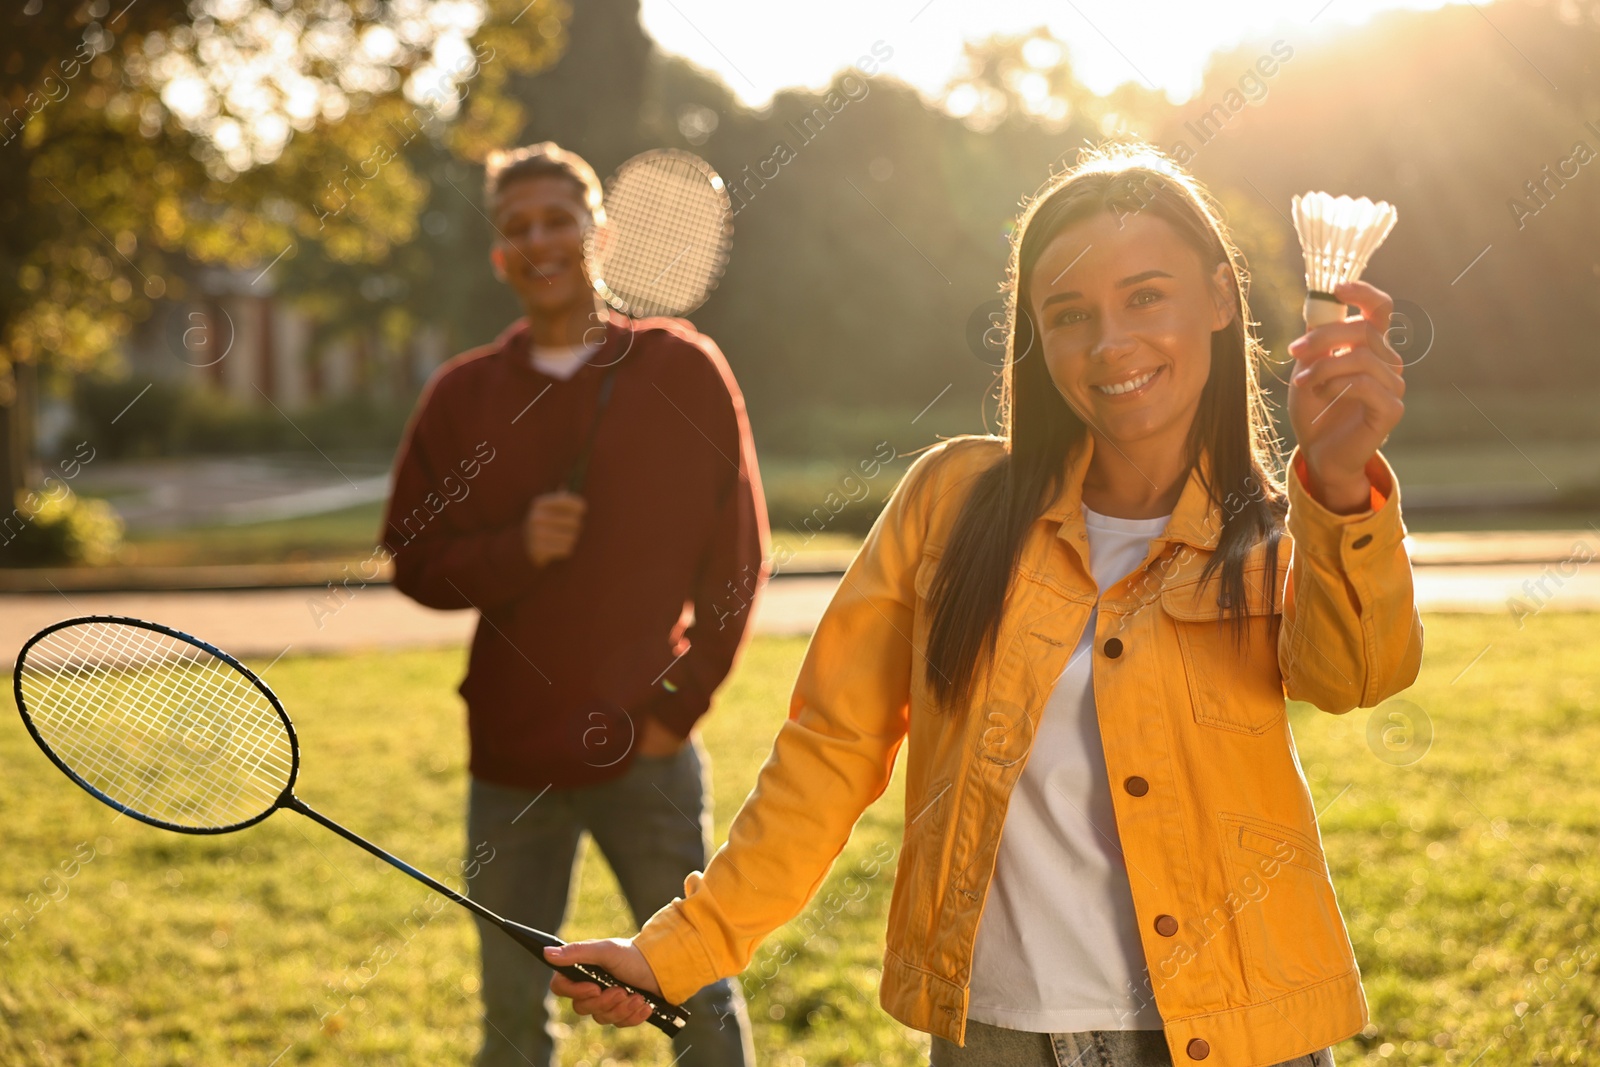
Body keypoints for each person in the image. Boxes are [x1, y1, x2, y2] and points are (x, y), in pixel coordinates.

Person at [542, 142, 1424, 1067]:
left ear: (1217, 297)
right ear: (1037, 337)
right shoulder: (951, 503)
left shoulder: (1286, 529)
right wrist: (674, 950)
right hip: (1002, 1038)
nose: (1112, 341)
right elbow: (829, 751)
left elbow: (1358, 677)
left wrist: (1336, 480)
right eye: (1071, 314)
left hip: (1239, 1030)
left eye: (1147, 296)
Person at [381, 141, 763, 1067]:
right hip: (510, 755)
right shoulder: (462, 393)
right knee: (512, 1021)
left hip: (650, 746)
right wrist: (516, 550)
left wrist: (679, 708)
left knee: (700, 1000)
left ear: (602, 232)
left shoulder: (683, 367)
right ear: (499, 255)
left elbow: (737, 559)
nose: (541, 239)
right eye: (518, 227)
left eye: (559, 218)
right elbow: (413, 558)